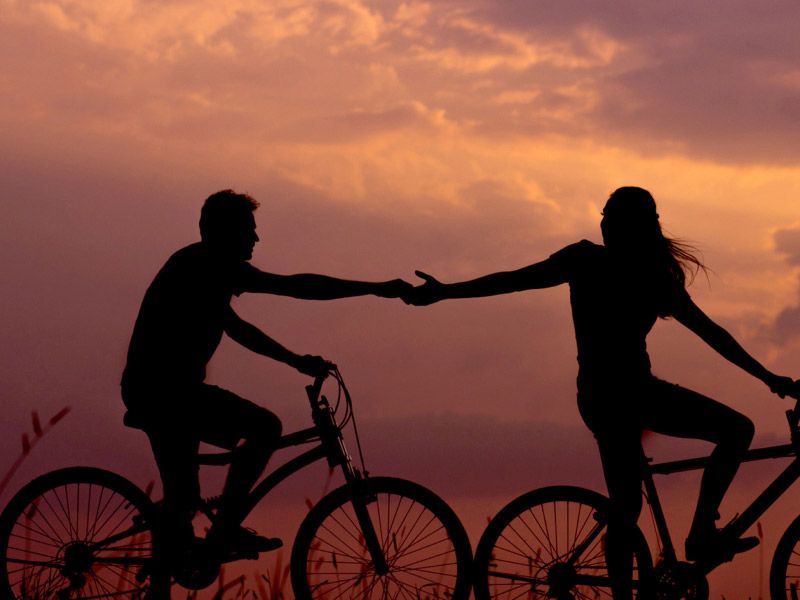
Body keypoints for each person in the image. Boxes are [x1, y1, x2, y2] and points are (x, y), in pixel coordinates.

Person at [402, 186, 797, 599]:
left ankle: (685, 545)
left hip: (615, 396)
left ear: (634, 226)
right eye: (605, 216)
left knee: (634, 500)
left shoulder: (636, 273)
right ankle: (698, 535)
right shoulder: (600, 264)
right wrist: (446, 291)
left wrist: (768, 377)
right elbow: (513, 281)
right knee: (718, 443)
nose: (605, 223)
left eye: (613, 217)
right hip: (620, 397)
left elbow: (712, 334)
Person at [121, 189, 410, 558]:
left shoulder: (204, 270)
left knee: (184, 503)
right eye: (249, 229)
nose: (256, 238)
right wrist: (374, 288)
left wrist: (295, 360)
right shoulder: (206, 265)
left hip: (171, 393)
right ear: (226, 231)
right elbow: (294, 287)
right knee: (264, 428)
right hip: (164, 394)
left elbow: (238, 328)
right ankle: (223, 529)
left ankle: (192, 544)